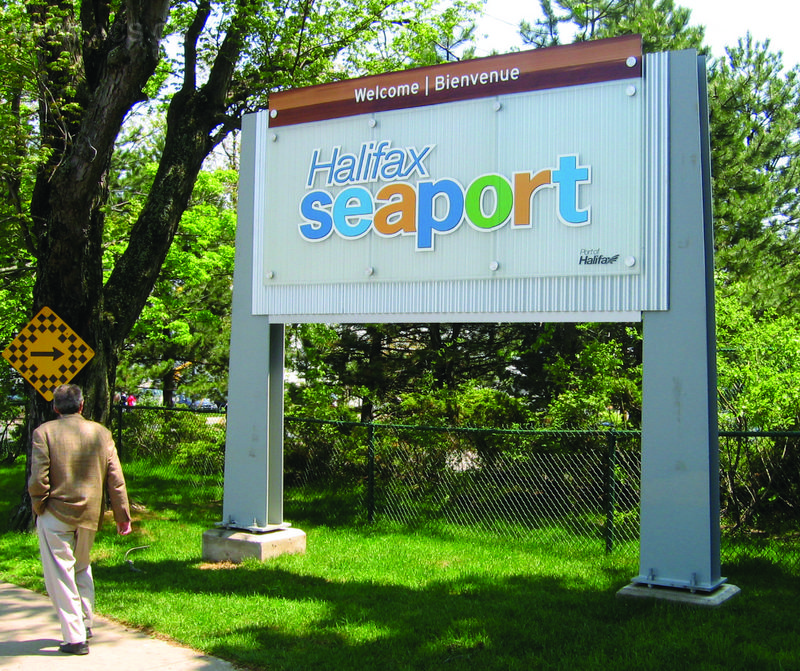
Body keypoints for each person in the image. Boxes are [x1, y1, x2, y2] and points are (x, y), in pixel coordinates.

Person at [28, 384, 132, 655]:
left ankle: (75, 638)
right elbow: (116, 479)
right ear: (82, 405)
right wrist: (122, 515)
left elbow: (38, 478)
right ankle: (85, 623)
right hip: (89, 513)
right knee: (82, 567)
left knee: (60, 575)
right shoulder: (101, 433)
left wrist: (39, 505)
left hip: (55, 513)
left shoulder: (44, 433)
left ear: (55, 407)